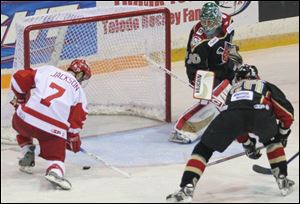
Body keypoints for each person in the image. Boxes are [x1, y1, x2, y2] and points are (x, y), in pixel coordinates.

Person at [166, 64, 295, 202]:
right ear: (256, 76)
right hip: (261, 113)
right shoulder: (265, 85)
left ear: (237, 79)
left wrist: (247, 144)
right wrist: (282, 133)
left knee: (203, 149)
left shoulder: (233, 90)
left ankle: (186, 188)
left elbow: (236, 122)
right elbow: (287, 112)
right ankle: (282, 179)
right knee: (273, 141)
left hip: (230, 116)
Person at [10, 59, 91, 190]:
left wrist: (20, 99)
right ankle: (54, 171)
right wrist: (72, 138)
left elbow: (17, 78)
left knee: (22, 120)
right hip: (51, 132)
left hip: (24, 120)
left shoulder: (48, 70)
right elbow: (76, 122)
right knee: (56, 158)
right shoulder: (80, 92)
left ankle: (27, 150)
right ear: (80, 75)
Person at [170, 2, 243, 144]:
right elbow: (197, 70)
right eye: (204, 21)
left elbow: (228, 43)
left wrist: (232, 56)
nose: (207, 26)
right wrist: (204, 91)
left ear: (218, 20)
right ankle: (183, 129)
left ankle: (236, 121)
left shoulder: (228, 23)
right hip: (202, 71)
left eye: (211, 22)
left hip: (223, 65)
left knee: (241, 85)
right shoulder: (198, 42)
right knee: (215, 99)